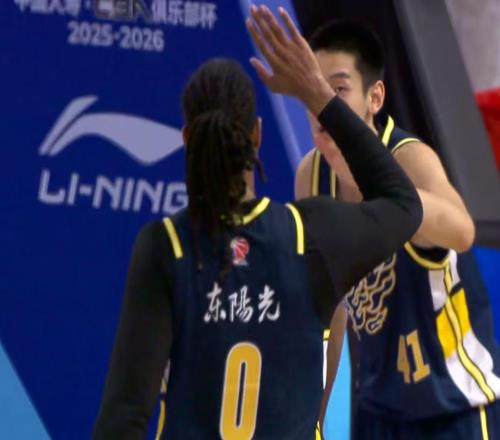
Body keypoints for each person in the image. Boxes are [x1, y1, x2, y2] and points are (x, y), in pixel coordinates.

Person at [92, 6, 423, 439]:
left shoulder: (168, 246)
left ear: (187, 139)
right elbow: (404, 205)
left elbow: (124, 416)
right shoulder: (310, 235)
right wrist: (319, 97)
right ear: (258, 135)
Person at [295, 20, 500, 440]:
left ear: (375, 97)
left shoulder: (411, 161)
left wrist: (392, 197)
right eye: (314, 90)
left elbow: (463, 232)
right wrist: (316, 415)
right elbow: (331, 308)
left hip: (452, 404)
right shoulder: (311, 177)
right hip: (378, 410)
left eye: (338, 90)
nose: (322, 106)